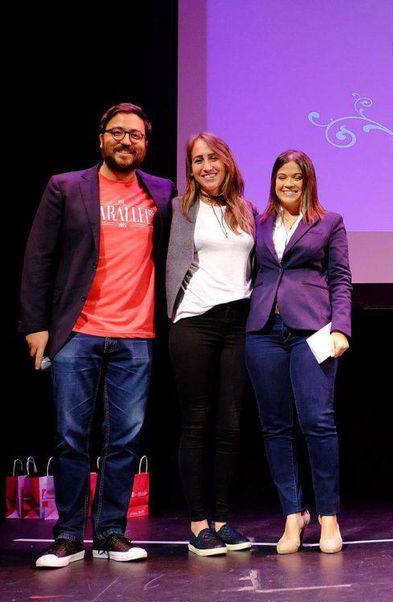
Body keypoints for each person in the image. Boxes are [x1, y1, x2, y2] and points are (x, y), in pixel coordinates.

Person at [19, 103, 175, 568]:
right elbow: (38, 259)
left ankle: (110, 533)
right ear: (101, 139)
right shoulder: (67, 187)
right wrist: (36, 325)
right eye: (118, 133)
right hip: (77, 334)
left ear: (146, 144)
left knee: (125, 440)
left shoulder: (163, 194)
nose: (127, 141)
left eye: (136, 135)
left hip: (138, 335)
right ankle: (67, 535)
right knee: (70, 437)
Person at [244, 150, 352, 554]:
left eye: (297, 178)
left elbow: (341, 279)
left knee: (318, 423)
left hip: (314, 331)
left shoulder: (329, 222)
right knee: (274, 426)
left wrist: (341, 328)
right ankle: (293, 516)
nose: (288, 184)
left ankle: (328, 518)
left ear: (309, 182)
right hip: (262, 331)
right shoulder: (259, 221)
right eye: (282, 177)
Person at [165, 133, 255, 556]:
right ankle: (198, 524)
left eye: (212, 158)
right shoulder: (180, 210)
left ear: (227, 161)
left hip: (236, 324)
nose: (206, 166)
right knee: (197, 424)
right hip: (194, 322)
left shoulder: (246, 210)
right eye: (198, 160)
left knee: (231, 424)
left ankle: (221, 519)